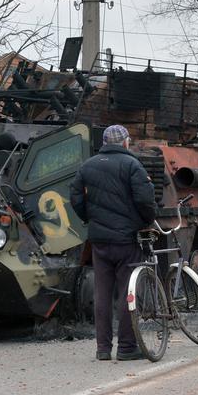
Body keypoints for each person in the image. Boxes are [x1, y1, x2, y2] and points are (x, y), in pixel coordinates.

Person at [71, 124, 157, 361]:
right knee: (127, 292)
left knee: (102, 293)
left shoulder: (87, 166)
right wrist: (146, 221)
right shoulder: (132, 165)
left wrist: (89, 218)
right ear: (126, 142)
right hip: (126, 239)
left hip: (99, 240)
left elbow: (75, 198)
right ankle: (127, 347)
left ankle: (103, 348)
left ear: (105, 142)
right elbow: (145, 199)